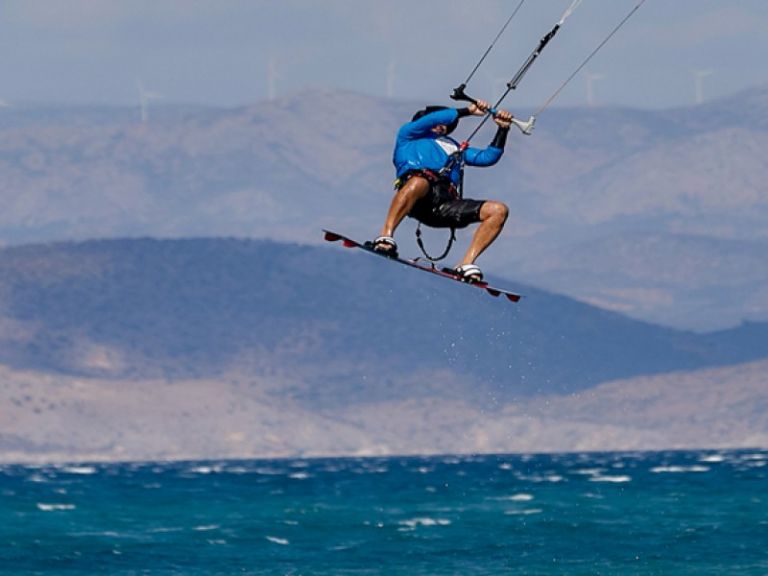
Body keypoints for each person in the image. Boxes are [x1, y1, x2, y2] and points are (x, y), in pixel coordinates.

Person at [371, 100, 513, 282]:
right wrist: (467, 111)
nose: (440, 125)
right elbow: (436, 118)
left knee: (498, 210)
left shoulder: (456, 148)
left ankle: (466, 263)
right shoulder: (408, 135)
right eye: (435, 123)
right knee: (419, 182)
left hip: (445, 206)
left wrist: (503, 129)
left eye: (444, 124)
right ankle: (385, 236)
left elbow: (488, 157)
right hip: (417, 198)